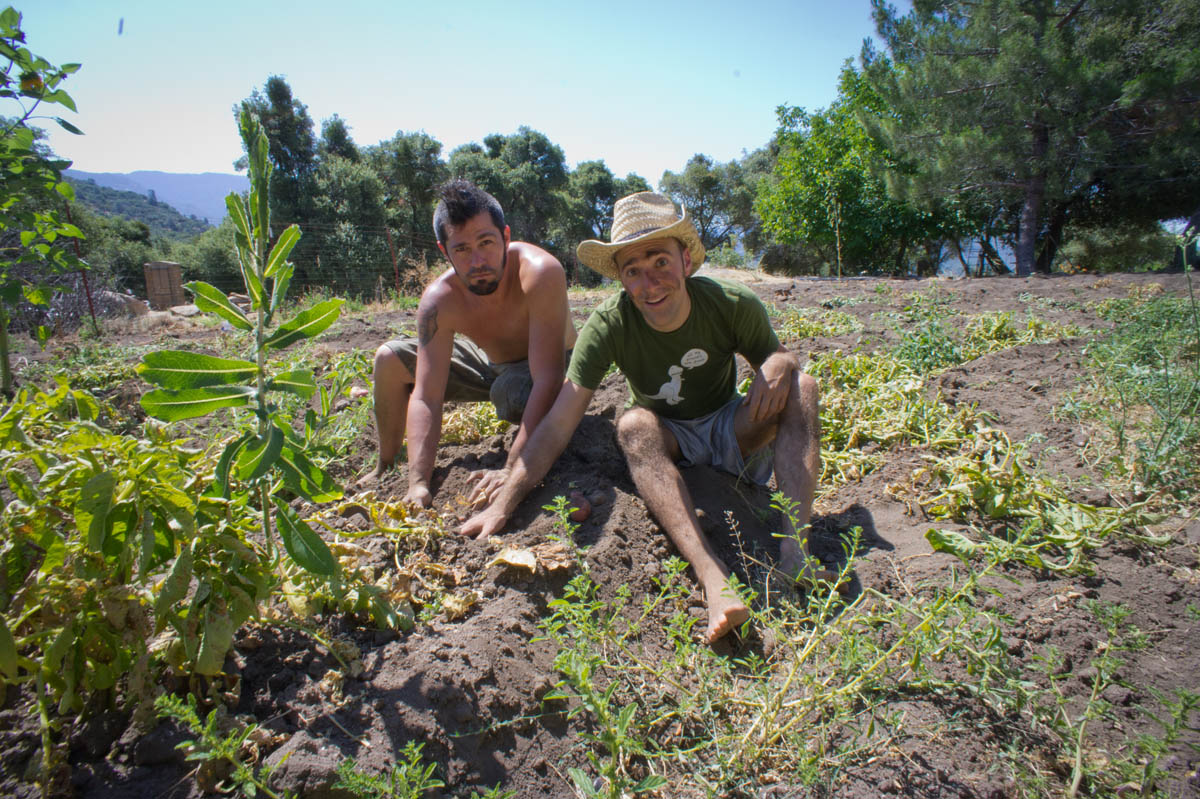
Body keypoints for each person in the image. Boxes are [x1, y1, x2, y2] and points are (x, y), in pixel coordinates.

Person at [461, 192, 823, 645]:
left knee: (803, 388)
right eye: (633, 271)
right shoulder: (610, 324)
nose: (649, 283)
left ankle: (796, 553)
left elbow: (775, 356)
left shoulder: (730, 303)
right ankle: (713, 577)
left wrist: (779, 361)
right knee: (632, 423)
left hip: (733, 428)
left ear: (685, 260)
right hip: (667, 438)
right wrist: (505, 501)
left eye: (659, 262)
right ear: (622, 279)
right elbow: (558, 421)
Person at [361, 179, 577, 508]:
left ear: (505, 236)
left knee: (514, 392)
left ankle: (548, 437)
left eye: (486, 242)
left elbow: (547, 376)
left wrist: (511, 468)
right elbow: (426, 394)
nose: (477, 261)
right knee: (389, 359)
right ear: (443, 251)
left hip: (555, 365)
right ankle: (386, 466)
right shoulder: (438, 301)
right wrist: (418, 483)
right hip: (492, 365)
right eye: (461, 249)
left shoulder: (539, 271)